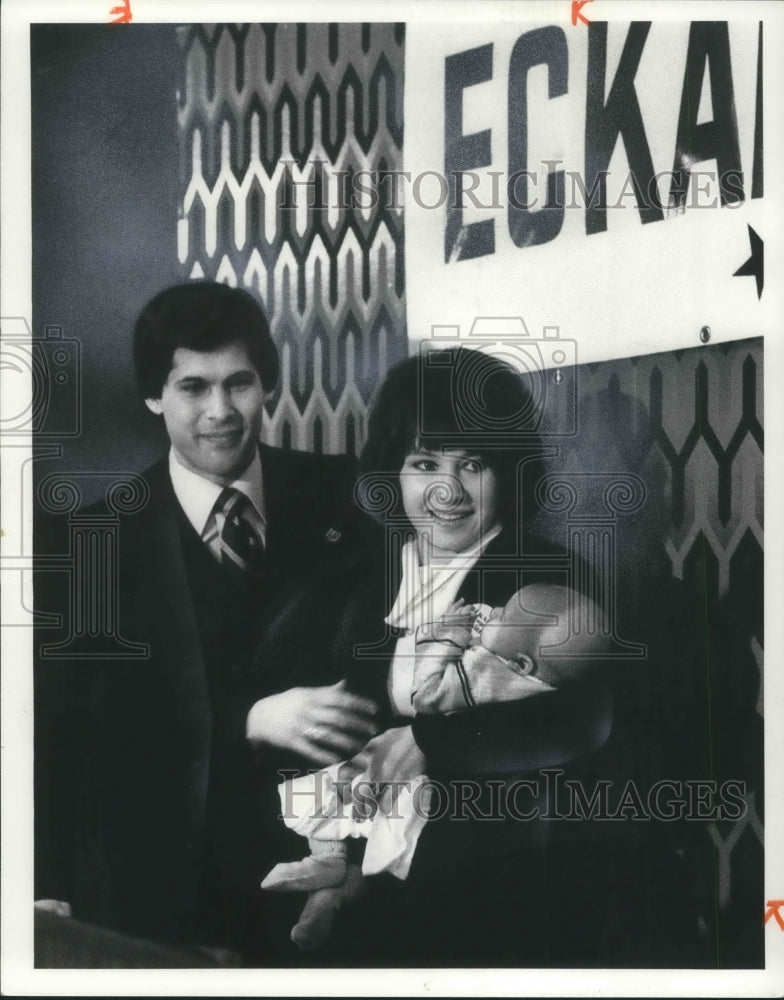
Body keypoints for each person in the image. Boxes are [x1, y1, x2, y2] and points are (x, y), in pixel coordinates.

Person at [33, 281, 380, 963]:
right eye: (193, 387)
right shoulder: (88, 542)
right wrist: (245, 721)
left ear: (266, 385)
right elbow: (73, 734)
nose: (221, 412)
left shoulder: (345, 493)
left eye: (239, 383)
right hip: (165, 894)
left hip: (332, 886)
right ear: (153, 396)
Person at [248, 346, 621, 965]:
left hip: (480, 880)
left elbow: (584, 722)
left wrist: (431, 744)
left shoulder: (547, 577)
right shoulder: (359, 575)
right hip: (358, 840)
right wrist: (268, 710)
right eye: (424, 463)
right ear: (395, 470)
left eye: (472, 464)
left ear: (507, 472)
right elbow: (268, 671)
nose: (445, 489)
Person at [260, 584, 614, 951]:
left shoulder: (493, 663)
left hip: (439, 796)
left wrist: (444, 640)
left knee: (330, 794)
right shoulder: (355, 565)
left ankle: (328, 862)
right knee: (381, 835)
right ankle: (337, 888)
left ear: (521, 664)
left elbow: (429, 694)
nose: (490, 612)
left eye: (501, 614)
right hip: (421, 794)